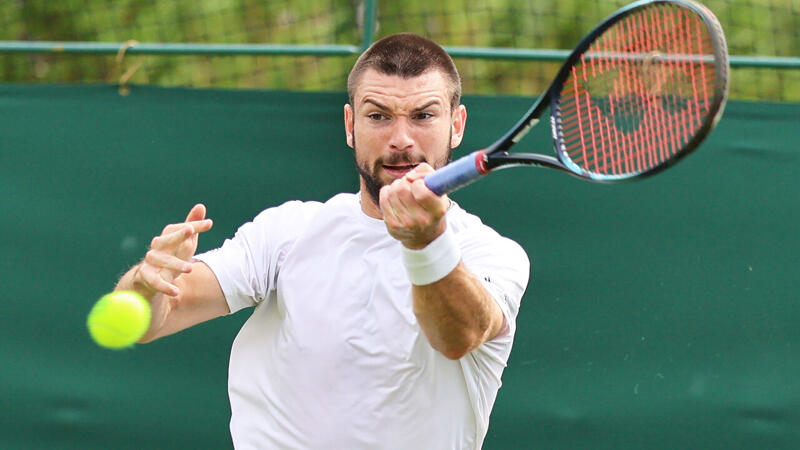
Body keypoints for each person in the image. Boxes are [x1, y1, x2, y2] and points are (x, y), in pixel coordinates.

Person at [115, 33, 530, 450]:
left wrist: (426, 243)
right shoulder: (286, 231)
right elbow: (157, 318)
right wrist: (146, 285)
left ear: (456, 126)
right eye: (379, 116)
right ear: (351, 125)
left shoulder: (493, 254)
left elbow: (457, 336)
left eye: (423, 116)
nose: (401, 138)